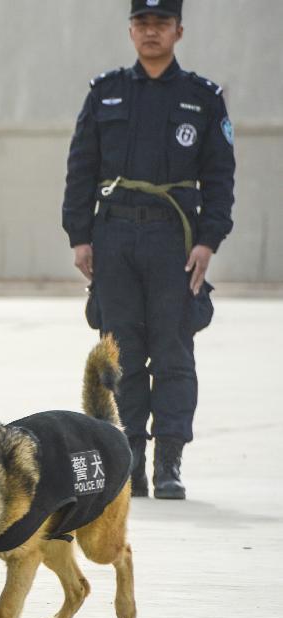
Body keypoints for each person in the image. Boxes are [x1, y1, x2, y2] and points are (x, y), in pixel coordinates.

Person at [61, 0, 235, 499]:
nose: (151, 32)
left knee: (174, 351)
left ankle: (169, 462)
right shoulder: (106, 93)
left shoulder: (202, 98)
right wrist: (79, 237)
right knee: (123, 354)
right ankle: (130, 460)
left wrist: (208, 241)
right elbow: (81, 167)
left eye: (161, 23)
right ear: (131, 30)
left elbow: (220, 176)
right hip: (114, 238)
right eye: (142, 23)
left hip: (173, 241)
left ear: (179, 31)